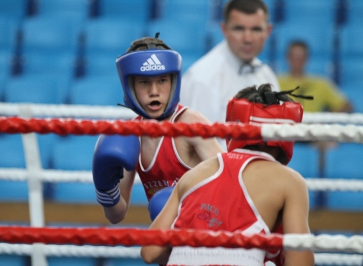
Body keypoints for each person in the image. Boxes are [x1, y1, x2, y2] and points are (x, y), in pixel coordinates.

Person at [140, 84, 314, 265]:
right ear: (285, 134)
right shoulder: (289, 181)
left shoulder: (194, 175)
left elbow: (150, 251)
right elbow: (301, 262)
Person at [92, 34, 224, 224]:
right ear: (130, 86)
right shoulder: (130, 137)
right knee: (151, 251)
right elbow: (116, 215)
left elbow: (231, 183)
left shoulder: (189, 124)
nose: (154, 91)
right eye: (144, 82)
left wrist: (191, 205)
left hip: (208, 231)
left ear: (173, 82)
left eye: (162, 80)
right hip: (170, 239)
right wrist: (106, 187)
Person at [180, 0, 279, 133]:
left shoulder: (266, 74)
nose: (248, 38)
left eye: (256, 29)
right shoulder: (202, 78)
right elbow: (197, 146)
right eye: (239, 28)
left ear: (268, 31)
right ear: (224, 30)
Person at [278, 40, 353, 113]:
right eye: (293, 56)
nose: (297, 60)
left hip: (312, 125)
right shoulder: (276, 81)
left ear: (307, 58)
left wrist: (326, 118)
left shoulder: (320, 84)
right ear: (287, 58)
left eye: (301, 56)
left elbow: (347, 106)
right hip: (284, 125)